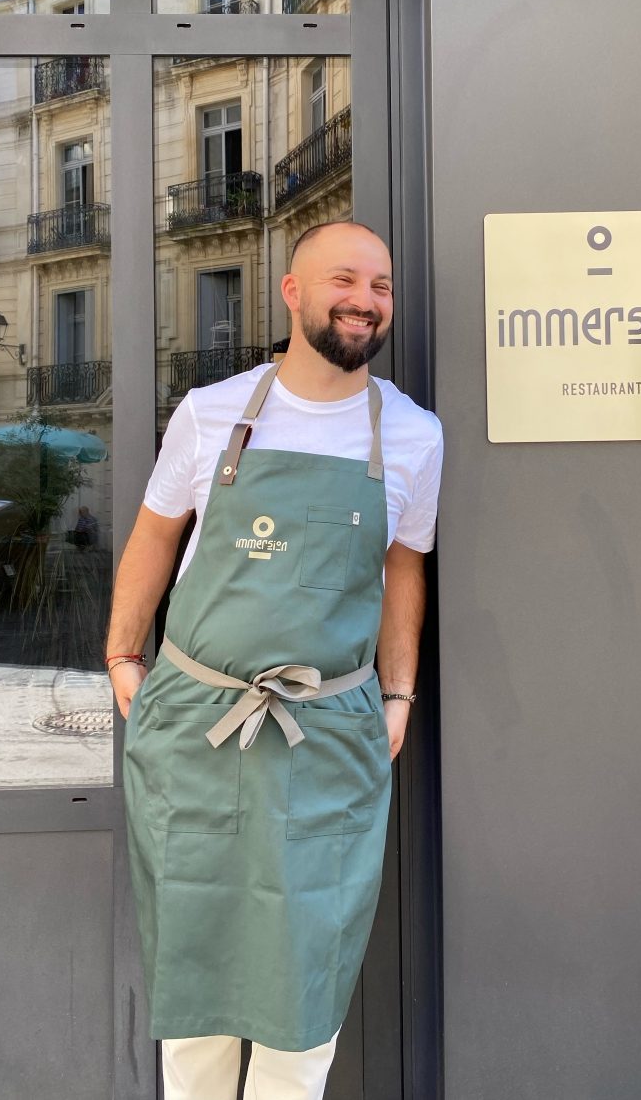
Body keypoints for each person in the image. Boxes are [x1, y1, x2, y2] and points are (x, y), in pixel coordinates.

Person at [106, 221, 443, 1100]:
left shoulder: (412, 434)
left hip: (327, 735)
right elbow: (152, 534)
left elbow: (404, 565)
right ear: (292, 292)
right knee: (198, 983)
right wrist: (120, 652)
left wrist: (399, 691)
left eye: (382, 284)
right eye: (345, 279)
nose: (366, 300)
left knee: (306, 988)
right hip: (200, 726)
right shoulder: (211, 412)